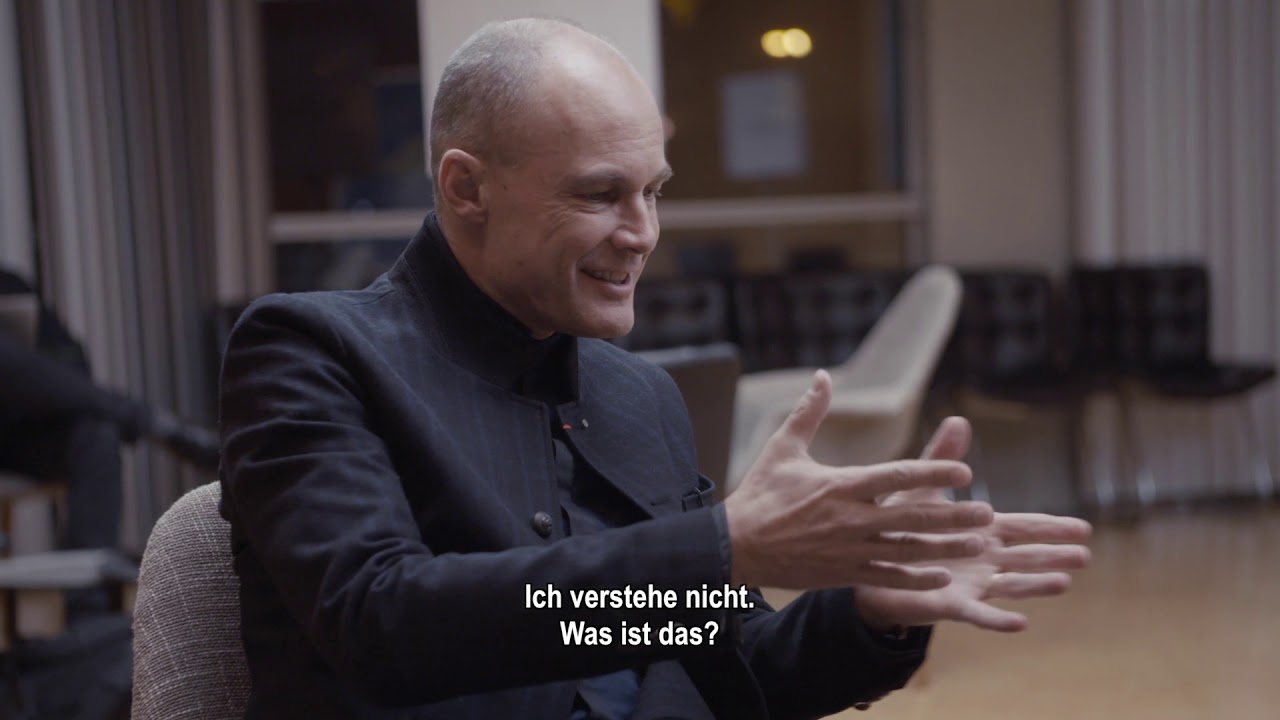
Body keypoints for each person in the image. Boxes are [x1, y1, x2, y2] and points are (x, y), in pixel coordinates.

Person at [218, 18, 1091, 719]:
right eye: (601, 194)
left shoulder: (637, 396)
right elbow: (381, 625)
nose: (643, 235)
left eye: (654, 192)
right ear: (466, 188)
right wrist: (724, 546)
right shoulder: (311, 351)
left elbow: (727, 663)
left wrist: (870, 610)